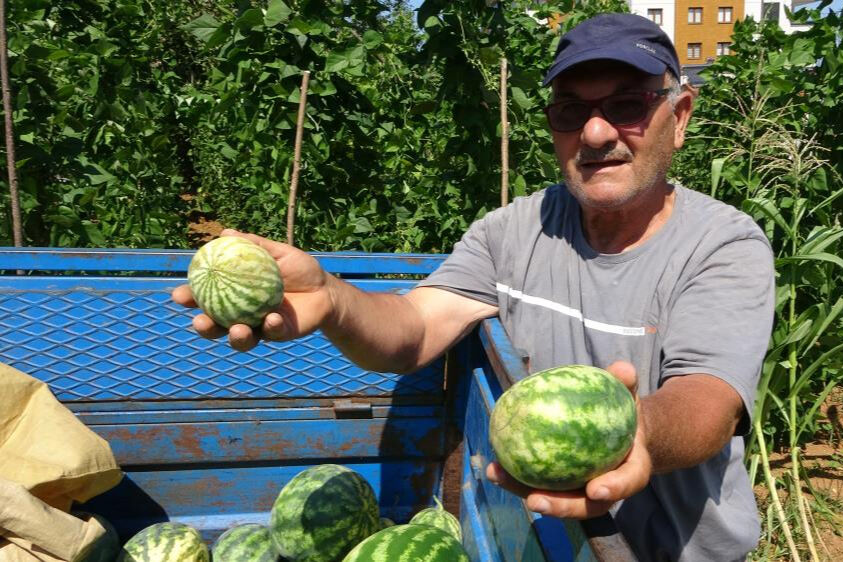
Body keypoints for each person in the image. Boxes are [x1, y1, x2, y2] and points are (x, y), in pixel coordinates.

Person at [172, 12, 774, 562]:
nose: (594, 133)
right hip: (538, 537)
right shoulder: (513, 231)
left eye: (628, 105)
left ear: (681, 115)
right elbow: (411, 332)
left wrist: (633, 430)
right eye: (570, 111)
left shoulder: (722, 245)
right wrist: (331, 299)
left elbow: (708, 404)